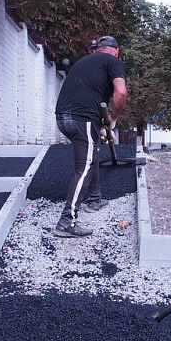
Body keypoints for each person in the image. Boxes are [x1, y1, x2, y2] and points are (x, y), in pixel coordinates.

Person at [53, 35, 127, 237]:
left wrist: (99, 123)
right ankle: (66, 222)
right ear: (116, 51)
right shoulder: (113, 62)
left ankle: (94, 199)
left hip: (63, 118)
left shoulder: (84, 61)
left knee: (92, 155)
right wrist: (113, 119)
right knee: (84, 166)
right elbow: (120, 93)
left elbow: (85, 93)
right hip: (82, 119)